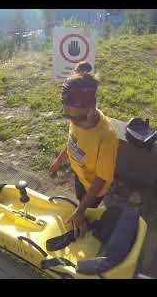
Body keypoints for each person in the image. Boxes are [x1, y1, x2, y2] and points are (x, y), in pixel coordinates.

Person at [49, 62, 119, 238]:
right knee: (80, 199)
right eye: (67, 116)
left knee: (87, 209)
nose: (72, 122)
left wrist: (81, 210)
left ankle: (85, 219)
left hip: (95, 188)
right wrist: (59, 160)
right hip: (80, 175)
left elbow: (102, 178)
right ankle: (81, 208)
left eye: (76, 117)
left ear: (91, 109)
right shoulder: (77, 118)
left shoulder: (106, 138)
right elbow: (72, 142)